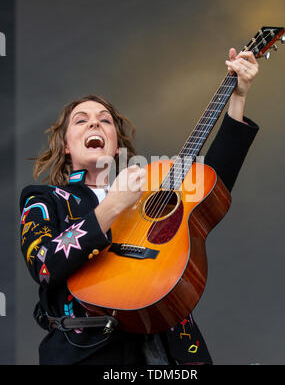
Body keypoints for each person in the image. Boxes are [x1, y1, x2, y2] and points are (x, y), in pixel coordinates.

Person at [20, 48, 259, 365]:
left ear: (116, 143)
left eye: (105, 121)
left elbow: (210, 187)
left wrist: (238, 97)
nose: (95, 124)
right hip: (87, 353)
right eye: (82, 121)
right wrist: (110, 207)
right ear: (66, 146)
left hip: (172, 350)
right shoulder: (45, 199)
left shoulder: (150, 189)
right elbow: (43, 264)